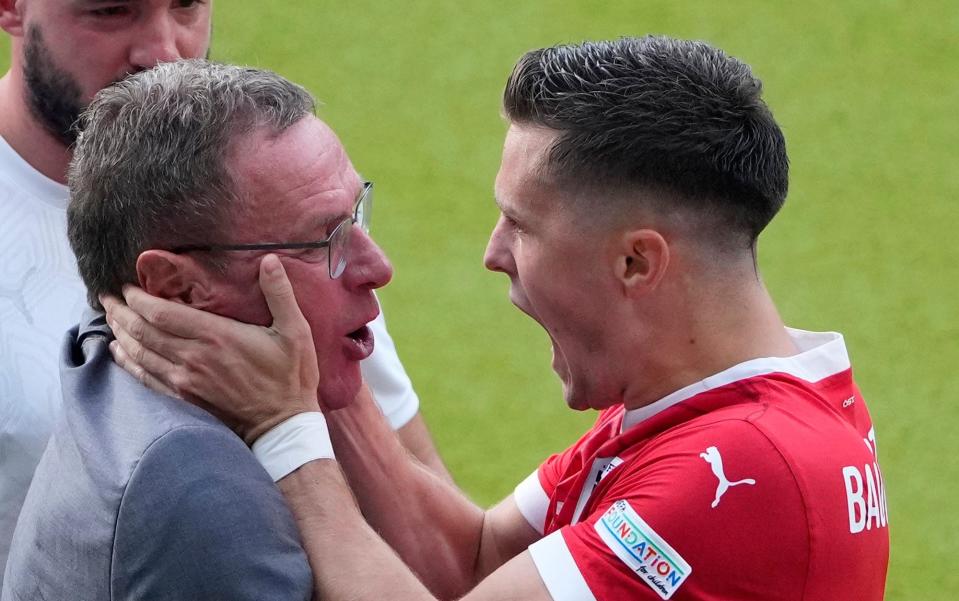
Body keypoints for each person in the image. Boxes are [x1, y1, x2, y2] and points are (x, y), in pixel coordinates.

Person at [102, 37, 890, 600]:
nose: (492, 252)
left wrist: (286, 426)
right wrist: (319, 366)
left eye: (522, 225)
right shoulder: (714, 403)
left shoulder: (741, 475)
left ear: (634, 263)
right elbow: (470, 559)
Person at [0, 0, 445, 579]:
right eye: (111, 11)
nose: (162, 51)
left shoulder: (274, 197)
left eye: (187, 6)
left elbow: (433, 543)